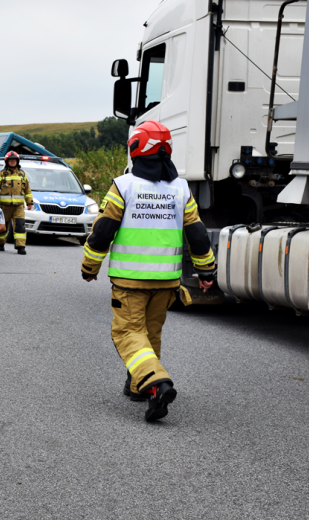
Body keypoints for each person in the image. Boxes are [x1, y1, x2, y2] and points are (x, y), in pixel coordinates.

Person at [81, 120, 216, 422]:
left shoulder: (124, 186)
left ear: (135, 150)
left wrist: (90, 266)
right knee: (149, 333)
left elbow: (103, 231)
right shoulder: (181, 189)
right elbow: (197, 235)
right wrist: (207, 271)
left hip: (131, 280)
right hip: (167, 281)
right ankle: (137, 386)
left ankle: (156, 384)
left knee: (127, 332)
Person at [0, 151, 33, 255]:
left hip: (19, 206)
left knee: (20, 226)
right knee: (3, 227)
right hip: (4, 206)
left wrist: (29, 202)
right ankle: (1, 243)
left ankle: (21, 247)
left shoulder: (22, 174)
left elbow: (27, 190)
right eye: (10, 160)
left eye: (14, 160)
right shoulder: (2, 174)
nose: (12, 162)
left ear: (17, 161)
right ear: (7, 162)